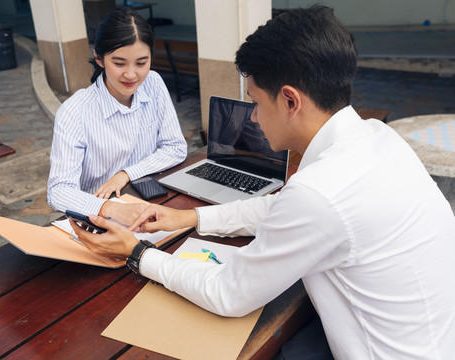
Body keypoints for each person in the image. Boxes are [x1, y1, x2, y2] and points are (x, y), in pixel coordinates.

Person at [70, 5, 455, 359]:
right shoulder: (376, 138)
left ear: (290, 101)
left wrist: (137, 253)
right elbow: (284, 208)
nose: (252, 118)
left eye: (255, 101)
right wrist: (188, 219)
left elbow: (229, 294)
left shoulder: (320, 193)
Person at [47, 7, 187, 225]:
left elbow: (175, 147)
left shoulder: (153, 83)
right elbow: (58, 191)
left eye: (141, 63)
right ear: (99, 58)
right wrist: (109, 208)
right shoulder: (75, 111)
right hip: (97, 218)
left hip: (149, 203)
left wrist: (126, 174)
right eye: (119, 63)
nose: (131, 74)